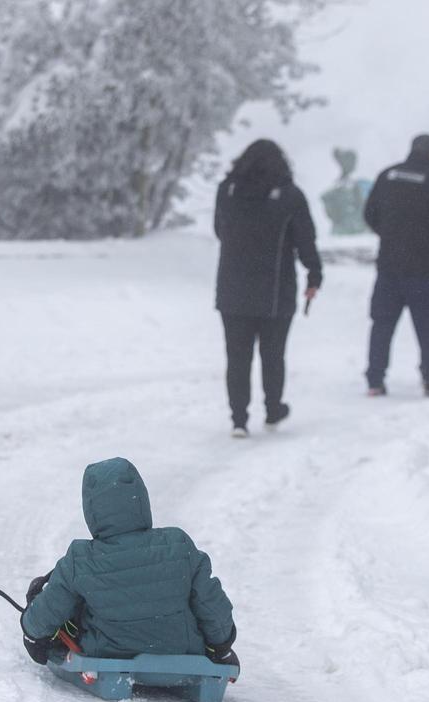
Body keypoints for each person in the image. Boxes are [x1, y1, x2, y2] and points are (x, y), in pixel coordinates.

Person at [20, 458, 238, 671]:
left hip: (106, 655)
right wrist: (222, 647)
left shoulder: (81, 558)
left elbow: (45, 615)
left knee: (73, 605)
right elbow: (211, 604)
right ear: (141, 500)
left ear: (92, 509)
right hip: (183, 652)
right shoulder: (178, 545)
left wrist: (32, 635)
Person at [214, 139, 322, 438]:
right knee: (273, 354)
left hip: (232, 289)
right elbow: (305, 241)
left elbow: (219, 230)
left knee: (237, 357)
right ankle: (273, 410)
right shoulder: (290, 196)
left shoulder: (228, 190)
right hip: (276, 290)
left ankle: (238, 419)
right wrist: (314, 276)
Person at [363, 134, 429, 397]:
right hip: (424, 268)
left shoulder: (388, 176)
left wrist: (390, 234)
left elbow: (369, 213)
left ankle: (375, 379)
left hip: (389, 267)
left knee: (382, 325)